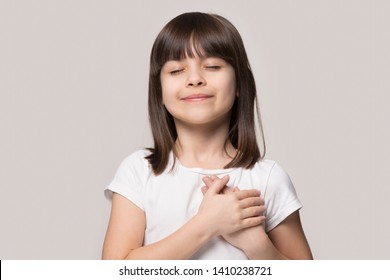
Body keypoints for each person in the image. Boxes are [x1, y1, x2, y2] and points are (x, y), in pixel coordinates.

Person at [102, 12, 313, 260]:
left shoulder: (267, 178)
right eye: (177, 70)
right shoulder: (138, 172)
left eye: (212, 66)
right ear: (159, 90)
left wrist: (257, 245)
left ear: (240, 84)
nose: (194, 79)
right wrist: (206, 225)